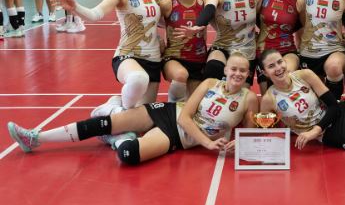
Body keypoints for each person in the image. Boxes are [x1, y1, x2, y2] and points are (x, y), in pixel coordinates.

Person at [7, 53, 259, 165]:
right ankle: (36, 137)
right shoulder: (210, 83)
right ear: (226, 70)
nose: (237, 74)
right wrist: (207, 143)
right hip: (170, 112)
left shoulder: (249, 98)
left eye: (242, 70)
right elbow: (184, 116)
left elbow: (248, 134)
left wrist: (239, 143)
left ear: (249, 74)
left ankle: (118, 138)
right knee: (103, 123)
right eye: (233, 69)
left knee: (128, 154)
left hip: (177, 137)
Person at [52, 0, 162, 114]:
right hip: (128, 55)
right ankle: (111, 111)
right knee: (138, 79)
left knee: (144, 118)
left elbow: (159, 21)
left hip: (153, 59)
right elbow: (95, 15)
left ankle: (113, 105)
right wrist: (75, 7)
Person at [175, 0, 264, 86]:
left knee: (239, 92)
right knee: (213, 67)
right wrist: (197, 25)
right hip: (223, 46)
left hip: (247, 50)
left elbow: (260, 16)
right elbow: (210, 7)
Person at [255, 0, 305, 94]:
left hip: (286, 49)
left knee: (283, 75)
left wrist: (303, 50)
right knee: (269, 96)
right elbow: (251, 17)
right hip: (263, 51)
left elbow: (303, 27)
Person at [161, 0, 208, 102]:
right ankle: (172, 106)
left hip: (198, 60)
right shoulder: (167, 4)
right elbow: (148, 21)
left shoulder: (204, 3)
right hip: (174, 58)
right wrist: (157, 39)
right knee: (181, 75)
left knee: (194, 104)